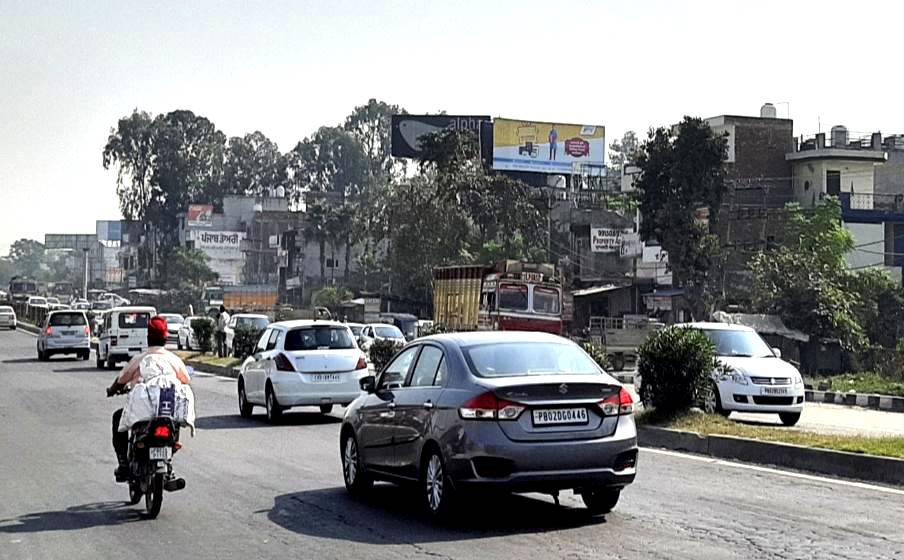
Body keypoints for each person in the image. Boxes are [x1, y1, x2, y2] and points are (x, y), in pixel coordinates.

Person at [106, 316, 191, 481]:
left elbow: (121, 379)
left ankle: (123, 464)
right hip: (166, 409)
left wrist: (113, 389)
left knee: (118, 418)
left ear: (148, 337)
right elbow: (185, 380)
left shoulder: (140, 359)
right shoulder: (174, 360)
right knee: (174, 421)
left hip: (142, 414)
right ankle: (169, 460)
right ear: (166, 338)